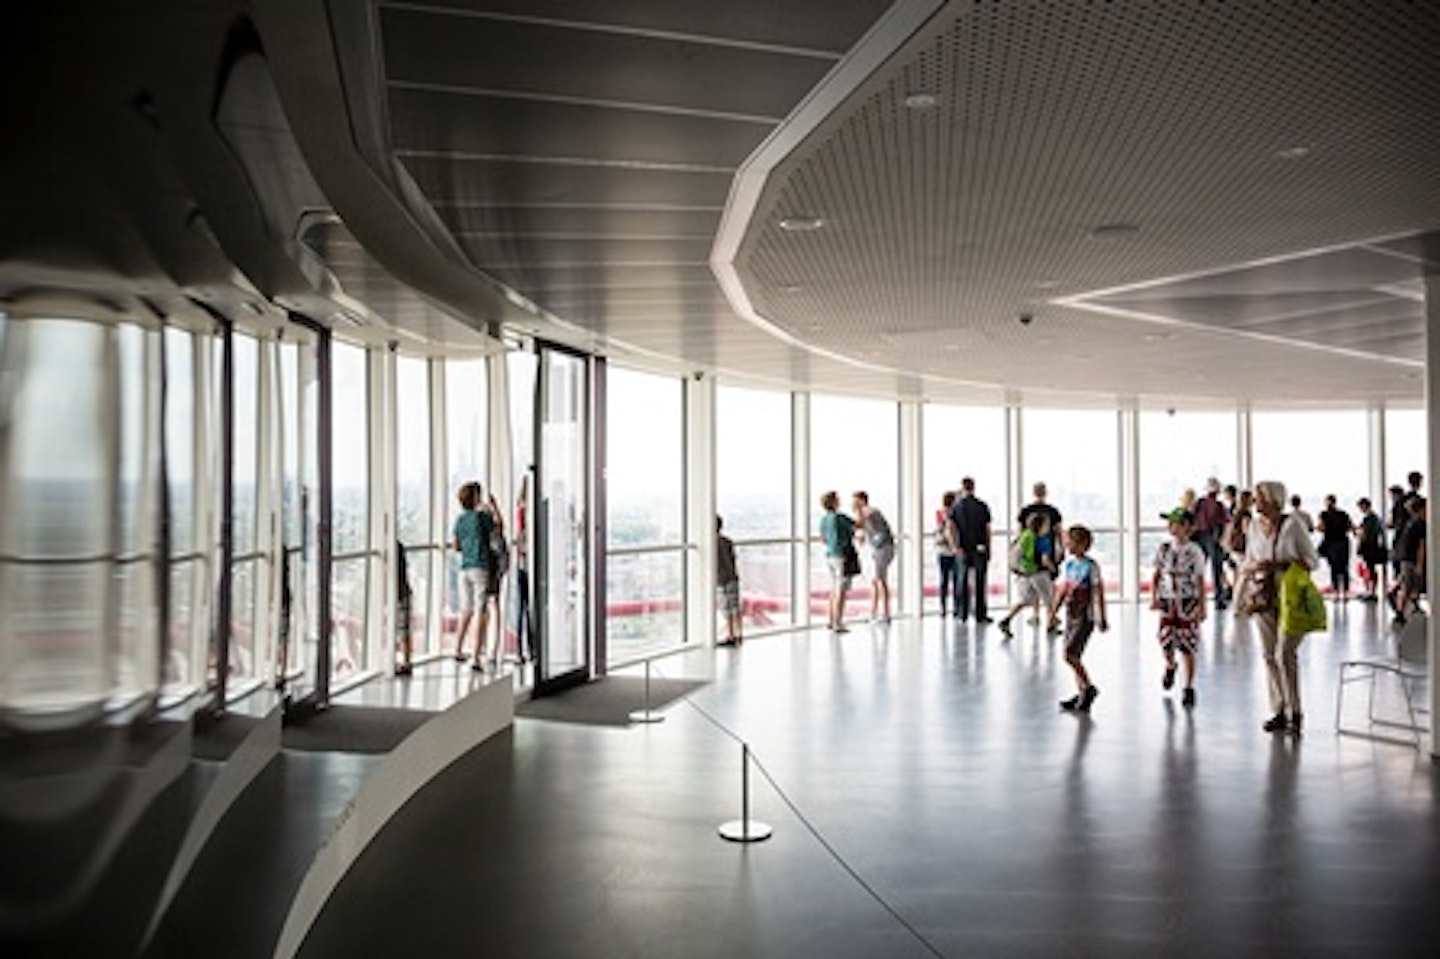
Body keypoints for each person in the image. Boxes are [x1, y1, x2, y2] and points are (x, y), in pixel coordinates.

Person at [1241, 480, 1320, 736]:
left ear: (1273, 499)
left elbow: (1312, 561)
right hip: (1263, 594)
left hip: (1291, 594)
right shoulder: (1253, 526)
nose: (1255, 502)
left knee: (1284, 653)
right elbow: (1248, 560)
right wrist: (1255, 567)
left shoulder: (1293, 525)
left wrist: (1280, 565)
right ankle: (1279, 709)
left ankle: (1295, 711)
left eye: (1259, 497)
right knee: (1268, 655)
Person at [1049, 525, 1108, 712]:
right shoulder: (1069, 565)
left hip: (1085, 616)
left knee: (1070, 654)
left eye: (1071, 542)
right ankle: (1082, 692)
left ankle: (1088, 688)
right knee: (1074, 655)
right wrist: (1053, 612)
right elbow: (1063, 589)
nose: (1067, 545)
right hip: (1071, 613)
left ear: (1083, 544)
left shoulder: (1091, 567)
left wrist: (1101, 616)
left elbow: (1098, 592)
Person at [1150, 508, 1206, 707]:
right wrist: (1154, 596)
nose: (1170, 527)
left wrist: (1202, 606)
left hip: (1187, 600)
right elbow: (1157, 573)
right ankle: (1170, 664)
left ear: (1186, 526)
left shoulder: (1195, 551)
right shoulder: (1164, 548)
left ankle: (1188, 686)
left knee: (1187, 644)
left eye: (1174, 523)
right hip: (1167, 600)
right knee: (1166, 639)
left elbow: (1200, 579)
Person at [452, 480, 494, 669]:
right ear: (475, 497)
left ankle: (458, 649)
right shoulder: (481, 518)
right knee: (480, 611)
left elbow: (456, 546)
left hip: (465, 568)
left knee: (466, 610)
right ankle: (476, 657)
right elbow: (497, 528)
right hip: (480, 567)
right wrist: (491, 509)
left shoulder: (460, 520)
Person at [997, 511, 1054, 638]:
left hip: (1024, 573)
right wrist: (1052, 568)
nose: (1048, 528)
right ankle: (1051, 626)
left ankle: (1007, 620)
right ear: (1041, 526)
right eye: (1047, 525)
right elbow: (1044, 560)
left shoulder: (1024, 535)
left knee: (1024, 600)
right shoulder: (1043, 540)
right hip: (1039, 573)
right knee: (1050, 600)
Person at [948, 477, 993, 623]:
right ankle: (980, 614)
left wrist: (955, 546)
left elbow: (950, 528)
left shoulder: (956, 507)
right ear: (973, 487)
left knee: (962, 580)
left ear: (962, 488)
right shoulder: (982, 506)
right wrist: (989, 548)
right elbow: (987, 529)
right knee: (980, 581)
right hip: (979, 547)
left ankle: (962, 613)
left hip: (963, 548)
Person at [852, 491, 894, 624]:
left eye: (855, 501)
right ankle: (874, 612)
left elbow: (858, 524)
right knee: (876, 581)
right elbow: (866, 528)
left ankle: (885, 614)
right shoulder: (867, 512)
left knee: (880, 581)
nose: (853, 503)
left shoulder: (868, 511)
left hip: (883, 548)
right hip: (879, 548)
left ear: (862, 501)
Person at [819, 491, 856, 633]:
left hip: (830, 556)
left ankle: (831, 620)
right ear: (834, 502)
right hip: (842, 556)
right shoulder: (840, 518)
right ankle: (838, 623)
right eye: (837, 499)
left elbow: (823, 538)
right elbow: (857, 525)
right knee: (841, 591)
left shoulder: (824, 519)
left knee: (834, 589)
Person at [1192, 478, 1231, 608]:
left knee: (1199, 569)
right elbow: (1226, 523)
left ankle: (1196, 598)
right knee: (1216, 570)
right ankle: (1219, 599)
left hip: (1200, 537)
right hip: (1214, 537)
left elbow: (1193, 519)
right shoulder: (1219, 506)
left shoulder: (1200, 503)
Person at [1392, 495, 1427, 628]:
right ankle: (1401, 612)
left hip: (1405, 558)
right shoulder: (1420, 524)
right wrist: (1420, 563)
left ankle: (1406, 609)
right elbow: (1421, 546)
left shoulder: (1409, 523)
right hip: (1411, 559)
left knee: (1409, 585)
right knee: (1409, 586)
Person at [1316, 494, 1352, 601]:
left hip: (1331, 543)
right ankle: (1345, 593)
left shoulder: (1324, 514)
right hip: (1343, 542)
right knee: (1344, 568)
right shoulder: (1343, 514)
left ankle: (1336, 593)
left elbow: (1321, 528)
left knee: (1334, 569)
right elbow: (1349, 526)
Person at [1354, 496, 1386, 602]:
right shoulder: (1375, 518)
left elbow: (1364, 534)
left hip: (1369, 548)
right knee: (1371, 569)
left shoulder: (1369, 519)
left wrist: (1359, 545)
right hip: (1374, 547)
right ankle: (1371, 591)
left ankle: (1371, 591)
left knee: (1370, 569)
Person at [716, 515, 742, 646]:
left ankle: (731, 635)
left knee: (727, 609)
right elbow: (732, 559)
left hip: (722, 579)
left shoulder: (713, 543)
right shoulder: (727, 541)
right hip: (732, 577)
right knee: (734, 607)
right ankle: (738, 634)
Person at [934, 491, 958, 617]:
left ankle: (943, 608)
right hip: (952, 550)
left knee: (944, 580)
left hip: (941, 550)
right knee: (955, 580)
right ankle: (956, 608)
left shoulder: (939, 513)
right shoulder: (954, 514)